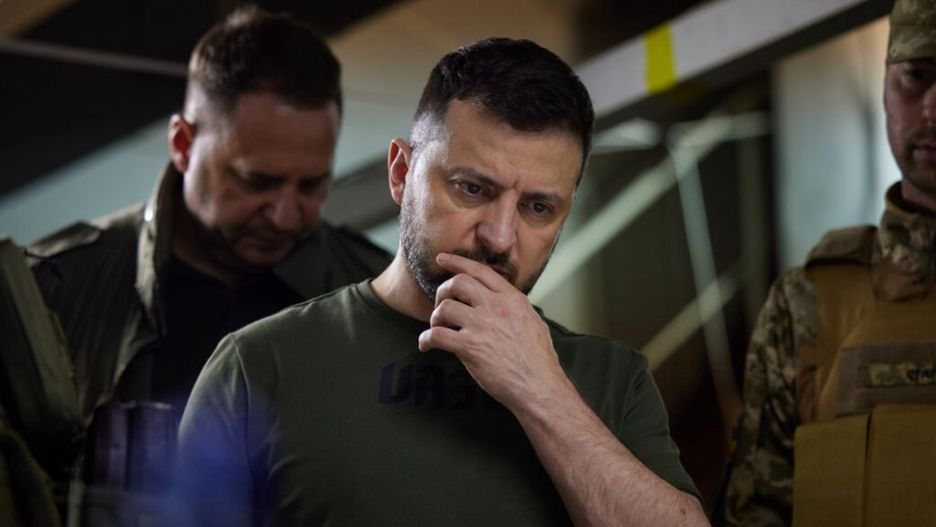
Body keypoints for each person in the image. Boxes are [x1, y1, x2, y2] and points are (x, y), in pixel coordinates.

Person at [177, 37, 707, 526]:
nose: (499, 237)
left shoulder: (613, 379)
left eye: (538, 208)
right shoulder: (259, 367)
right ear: (401, 173)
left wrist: (540, 391)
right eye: (472, 189)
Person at [21, 6, 390, 522]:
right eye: (257, 181)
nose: (286, 216)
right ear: (182, 144)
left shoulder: (379, 294)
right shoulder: (51, 291)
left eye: (311, 185)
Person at [719, 1, 936, 525]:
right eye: (916, 76)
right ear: (885, 88)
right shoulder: (803, 309)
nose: (934, 109)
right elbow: (756, 512)